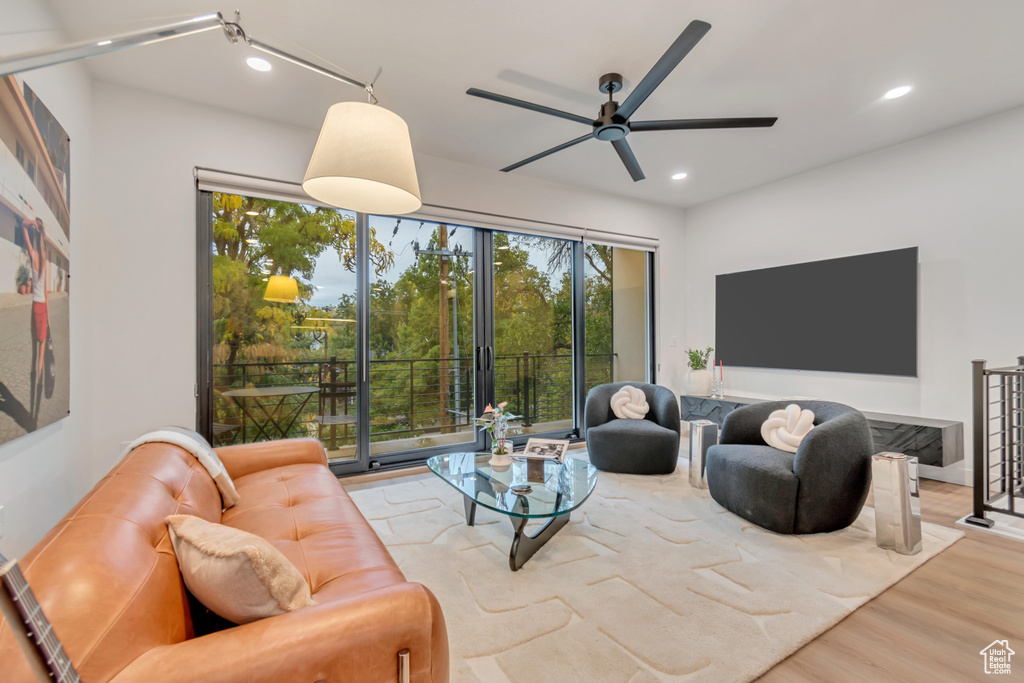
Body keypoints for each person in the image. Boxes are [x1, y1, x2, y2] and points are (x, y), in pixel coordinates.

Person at [22, 217, 48, 422]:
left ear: (35, 234)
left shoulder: (33, 255)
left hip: (34, 309)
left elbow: (23, 225)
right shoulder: (46, 258)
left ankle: (30, 411)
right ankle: (36, 413)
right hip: (44, 308)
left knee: (33, 358)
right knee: (40, 360)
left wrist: (30, 224)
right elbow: (46, 292)